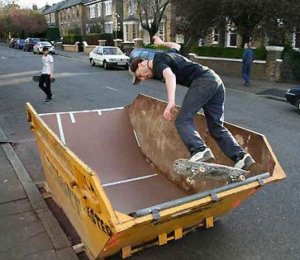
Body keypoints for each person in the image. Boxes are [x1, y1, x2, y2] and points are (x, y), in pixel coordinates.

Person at [129, 36, 255, 170]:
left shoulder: (157, 61)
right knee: (216, 127)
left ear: (141, 64)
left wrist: (171, 101)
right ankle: (241, 157)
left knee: (182, 120)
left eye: (140, 75)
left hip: (203, 81)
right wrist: (161, 43)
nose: (143, 78)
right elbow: (176, 46)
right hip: (215, 81)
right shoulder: (167, 55)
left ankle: (199, 150)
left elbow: (170, 76)